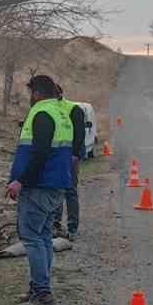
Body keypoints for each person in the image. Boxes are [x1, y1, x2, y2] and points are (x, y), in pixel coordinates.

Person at [5, 74, 73, 305]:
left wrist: (20, 181)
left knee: (32, 238)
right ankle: (39, 288)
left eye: (30, 93)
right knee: (43, 237)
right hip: (55, 184)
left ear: (36, 93)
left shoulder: (42, 113)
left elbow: (40, 153)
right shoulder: (62, 113)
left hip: (38, 187)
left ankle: (42, 294)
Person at [50, 84, 86, 239]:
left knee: (69, 191)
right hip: (54, 157)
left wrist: (75, 154)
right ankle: (55, 225)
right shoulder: (48, 108)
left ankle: (72, 228)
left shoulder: (73, 109)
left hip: (69, 157)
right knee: (55, 190)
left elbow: (79, 134)